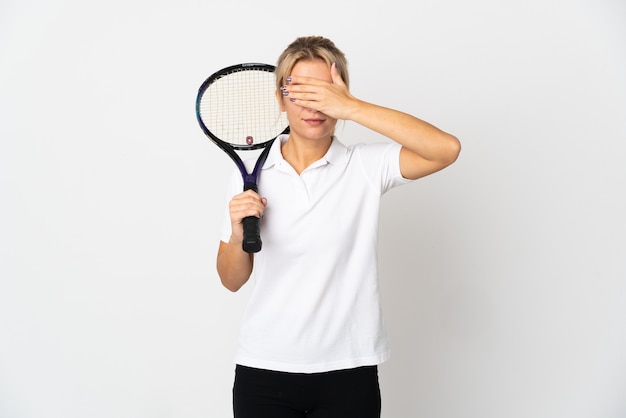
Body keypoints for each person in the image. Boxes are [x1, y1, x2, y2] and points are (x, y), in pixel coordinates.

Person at [216, 36, 461, 418]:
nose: (315, 104)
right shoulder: (249, 175)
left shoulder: (365, 166)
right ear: (281, 99)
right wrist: (236, 235)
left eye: (326, 91)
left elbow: (446, 149)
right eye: (301, 91)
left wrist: (353, 108)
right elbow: (231, 280)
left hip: (349, 371)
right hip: (264, 370)